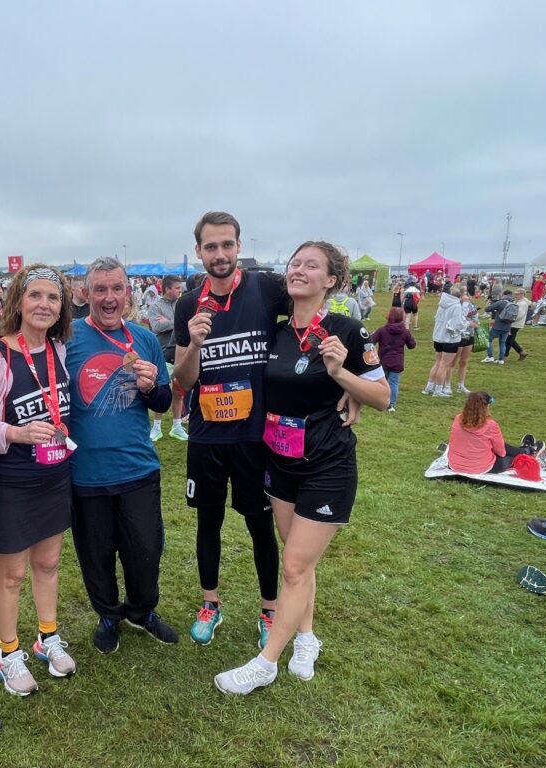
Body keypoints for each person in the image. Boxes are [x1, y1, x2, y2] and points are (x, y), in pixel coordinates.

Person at [214, 241, 388, 695]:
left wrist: (341, 376)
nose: (299, 270)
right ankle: (307, 637)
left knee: (292, 566)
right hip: (280, 461)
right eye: (295, 263)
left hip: (327, 465)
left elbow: (383, 397)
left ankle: (266, 662)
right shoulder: (275, 333)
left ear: (331, 280)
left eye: (312, 265)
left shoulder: (347, 331)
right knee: (298, 561)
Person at [172, 212, 284, 650]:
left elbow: (312, 320)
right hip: (207, 437)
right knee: (208, 522)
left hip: (256, 436)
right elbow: (182, 378)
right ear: (198, 251)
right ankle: (210, 604)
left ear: (239, 246)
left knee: (260, 525)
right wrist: (197, 343)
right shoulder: (188, 304)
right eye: (210, 247)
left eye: (227, 245)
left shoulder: (266, 288)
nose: (219, 255)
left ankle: (270, 611)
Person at [0, 265, 76, 697]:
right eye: (36, 296)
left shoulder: (59, 350)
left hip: (54, 474)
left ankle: (47, 638)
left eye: (53, 298)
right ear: (18, 301)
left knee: (49, 563)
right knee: (12, 574)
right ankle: (8, 652)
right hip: (12, 478)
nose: (44, 305)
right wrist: (15, 432)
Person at [65, 257, 176, 654]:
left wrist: (149, 389)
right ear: (85, 294)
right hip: (85, 472)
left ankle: (141, 611)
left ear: (128, 293)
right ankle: (108, 614)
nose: (109, 298)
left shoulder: (144, 338)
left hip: (137, 468)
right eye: (100, 290)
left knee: (145, 549)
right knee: (95, 553)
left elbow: (163, 398)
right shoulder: (67, 339)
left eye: (116, 289)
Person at [447, 392, 544, 474]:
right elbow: (501, 452)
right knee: (506, 456)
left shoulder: (457, 419)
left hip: (455, 465)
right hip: (481, 468)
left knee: (497, 445)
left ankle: (525, 450)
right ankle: (527, 451)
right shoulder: (491, 425)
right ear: (486, 406)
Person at [145, 275, 187, 441]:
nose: (180, 290)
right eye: (177, 288)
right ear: (168, 289)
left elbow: (186, 324)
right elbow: (156, 327)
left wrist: (169, 321)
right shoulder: (155, 307)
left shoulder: (182, 304)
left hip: (181, 353)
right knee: (162, 390)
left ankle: (177, 426)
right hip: (162, 354)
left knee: (179, 391)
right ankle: (156, 427)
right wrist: (177, 322)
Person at [422, 285, 467, 397]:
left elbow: (437, 318)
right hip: (450, 339)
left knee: (437, 363)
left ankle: (429, 387)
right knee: (444, 365)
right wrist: (466, 324)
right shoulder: (456, 306)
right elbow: (457, 324)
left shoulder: (442, 304)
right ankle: (438, 390)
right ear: (460, 295)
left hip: (438, 337)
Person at [371, 307, 415, 412]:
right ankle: (391, 404)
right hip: (397, 362)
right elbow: (412, 345)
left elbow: (371, 341)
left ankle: (379, 401)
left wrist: (372, 335)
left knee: (382, 382)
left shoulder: (382, 330)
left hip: (383, 360)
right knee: (394, 383)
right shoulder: (405, 332)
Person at [453, 290, 479, 394]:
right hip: (458, 335)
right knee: (452, 362)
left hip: (469, 335)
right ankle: (446, 385)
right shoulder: (455, 307)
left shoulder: (472, 307)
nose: (466, 297)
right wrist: (468, 323)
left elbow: (476, 322)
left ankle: (461, 385)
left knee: (464, 361)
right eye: (464, 295)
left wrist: (473, 323)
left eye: (467, 295)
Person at [482, 289, 516, 364]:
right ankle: (501, 359)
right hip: (507, 327)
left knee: (488, 340)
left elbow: (487, 309)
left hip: (498, 326)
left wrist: (490, 305)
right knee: (502, 343)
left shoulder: (501, 302)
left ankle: (490, 357)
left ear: (504, 295)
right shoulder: (513, 303)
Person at [506, 288, 530, 361]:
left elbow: (519, 315)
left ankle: (504, 356)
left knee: (508, 341)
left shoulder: (522, 304)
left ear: (522, 294)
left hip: (514, 324)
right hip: (515, 324)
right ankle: (521, 352)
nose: (516, 296)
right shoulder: (519, 302)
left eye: (517, 294)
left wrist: (509, 320)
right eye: (515, 294)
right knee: (511, 340)